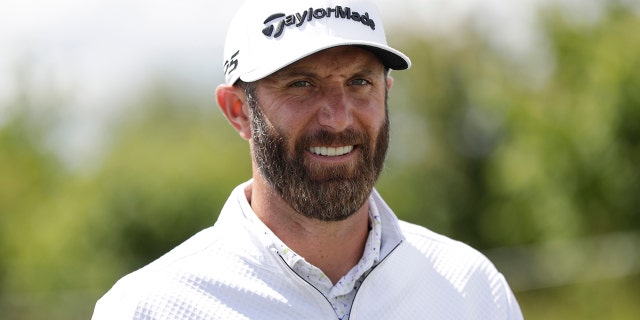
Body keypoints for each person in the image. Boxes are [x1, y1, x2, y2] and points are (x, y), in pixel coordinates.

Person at [92, 0, 523, 319]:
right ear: (238, 110)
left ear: (386, 94)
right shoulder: (150, 308)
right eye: (300, 84)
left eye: (359, 82)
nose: (337, 119)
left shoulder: (472, 290)